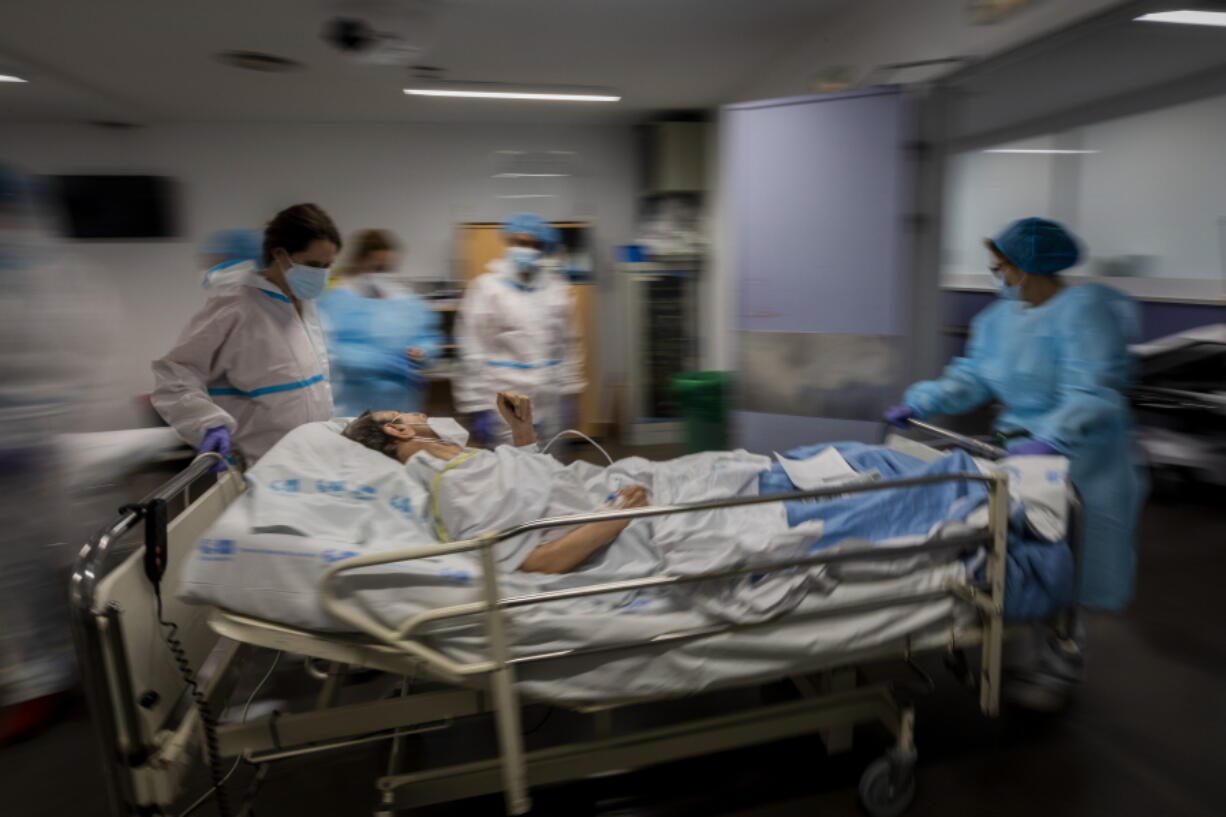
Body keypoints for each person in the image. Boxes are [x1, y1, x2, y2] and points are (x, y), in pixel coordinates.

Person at [884, 216, 1145, 710]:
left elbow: (1093, 394)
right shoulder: (1000, 319)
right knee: (1019, 552)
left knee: (1065, 559)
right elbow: (973, 377)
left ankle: (1063, 663)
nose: (998, 276)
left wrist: (1052, 438)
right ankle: (1016, 642)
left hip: (1082, 457)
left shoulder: (1084, 314)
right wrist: (923, 400)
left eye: (1003, 267)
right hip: (1022, 452)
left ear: (1030, 267)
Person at [343, 393, 648, 574]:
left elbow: (526, 486)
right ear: (400, 432)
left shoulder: (461, 461)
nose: (421, 413)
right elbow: (536, 562)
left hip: (606, 505)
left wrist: (521, 430)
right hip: (615, 543)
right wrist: (612, 520)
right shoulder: (453, 487)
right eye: (404, 415)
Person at [152, 203, 341, 467]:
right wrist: (208, 424)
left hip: (308, 459)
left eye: (327, 265)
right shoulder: (236, 307)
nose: (320, 274)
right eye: (312, 264)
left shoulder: (305, 307)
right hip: (256, 464)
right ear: (280, 255)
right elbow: (174, 375)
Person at [453, 213, 584, 445]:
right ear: (509, 243)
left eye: (535, 245)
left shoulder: (556, 290)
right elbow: (472, 349)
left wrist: (571, 390)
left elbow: (569, 345)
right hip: (506, 400)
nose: (527, 249)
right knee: (511, 470)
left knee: (549, 468)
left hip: (549, 399)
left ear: (544, 250)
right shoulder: (486, 289)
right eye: (521, 242)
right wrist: (476, 404)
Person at [319, 230, 442, 417]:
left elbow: (428, 336)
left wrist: (423, 352)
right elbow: (329, 350)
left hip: (403, 406)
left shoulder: (408, 302)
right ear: (360, 263)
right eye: (377, 268)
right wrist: (382, 362)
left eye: (388, 268)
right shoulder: (337, 301)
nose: (382, 275)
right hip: (354, 407)